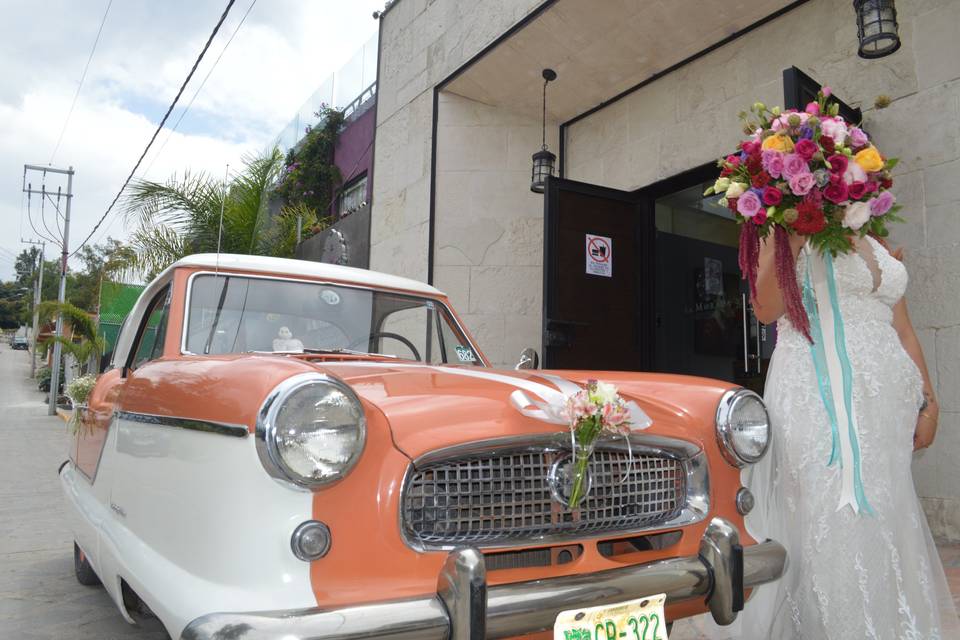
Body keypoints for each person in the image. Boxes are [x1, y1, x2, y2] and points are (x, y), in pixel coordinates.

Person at [689, 232, 959, 639]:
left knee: (884, 512)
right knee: (826, 510)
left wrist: (929, 400)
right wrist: (793, 240)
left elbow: (903, 328)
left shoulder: (877, 236)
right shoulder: (781, 228)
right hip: (817, 396)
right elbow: (764, 310)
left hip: (883, 410)